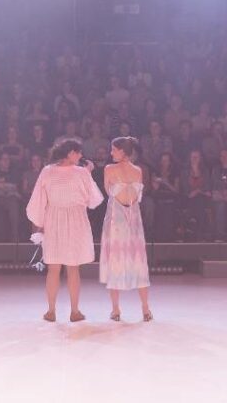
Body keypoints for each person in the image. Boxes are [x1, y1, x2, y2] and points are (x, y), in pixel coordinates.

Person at [26, 139, 104, 323]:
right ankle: (74, 311)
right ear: (70, 153)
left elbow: (38, 200)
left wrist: (39, 222)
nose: (80, 155)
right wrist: (88, 173)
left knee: (54, 268)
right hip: (74, 220)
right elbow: (93, 200)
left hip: (54, 219)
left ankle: (51, 311)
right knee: (72, 268)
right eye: (78, 152)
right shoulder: (81, 172)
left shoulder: (47, 171)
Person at [99, 137, 152, 322]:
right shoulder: (138, 171)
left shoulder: (109, 169)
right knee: (138, 260)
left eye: (114, 150)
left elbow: (108, 191)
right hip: (133, 220)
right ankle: (145, 309)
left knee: (115, 260)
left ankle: (116, 310)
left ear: (122, 151)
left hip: (117, 220)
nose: (111, 153)